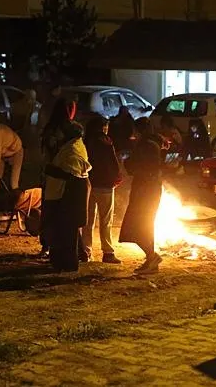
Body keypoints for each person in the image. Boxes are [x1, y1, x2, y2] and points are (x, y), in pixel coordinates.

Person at [44, 121, 91, 272]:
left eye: (60, 132)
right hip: (66, 193)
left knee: (67, 231)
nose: (58, 135)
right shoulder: (71, 146)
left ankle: (68, 264)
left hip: (69, 195)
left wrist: (51, 170)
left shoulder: (73, 149)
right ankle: (69, 260)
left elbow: (72, 175)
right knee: (66, 230)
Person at [119, 118, 164, 274]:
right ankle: (151, 260)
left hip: (145, 191)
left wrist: (127, 161)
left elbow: (134, 166)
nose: (134, 134)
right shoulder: (153, 143)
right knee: (144, 225)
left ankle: (152, 257)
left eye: (136, 131)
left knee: (138, 225)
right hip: (150, 189)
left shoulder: (145, 145)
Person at [37, 97, 77, 258]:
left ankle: (49, 245)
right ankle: (52, 246)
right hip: (59, 175)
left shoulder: (51, 127)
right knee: (57, 211)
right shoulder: (66, 130)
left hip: (52, 174)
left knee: (51, 210)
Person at [82, 115, 123, 264]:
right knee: (105, 220)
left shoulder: (85, 142)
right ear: (102, 127)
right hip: (105, 186)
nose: (107, 129)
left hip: (89, 184)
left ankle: (85, 252)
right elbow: (112, 163)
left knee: (87, 220)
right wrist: (117, 177)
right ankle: (108, 252)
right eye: (106, 126)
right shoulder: (106, 142)